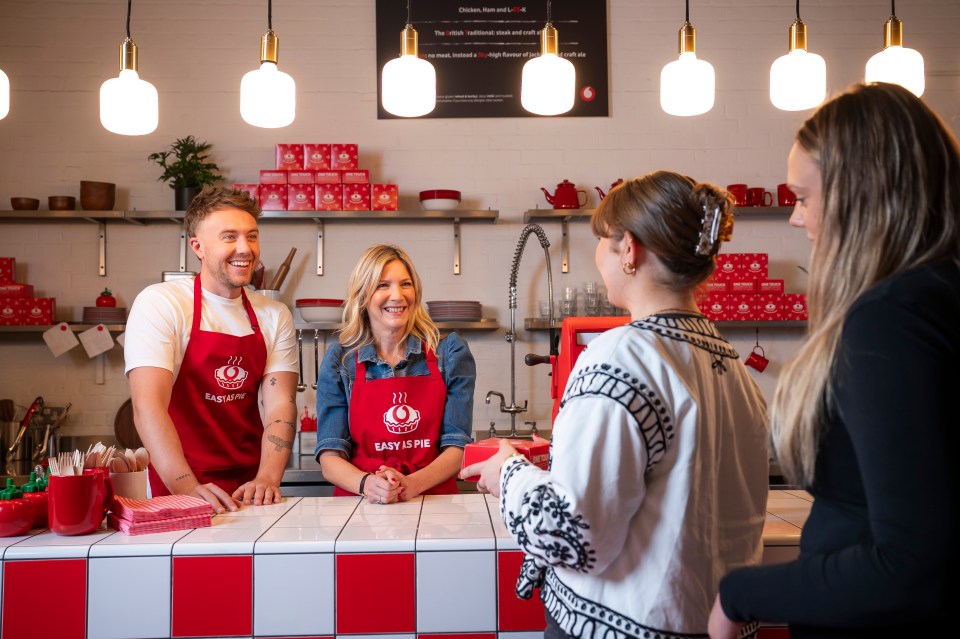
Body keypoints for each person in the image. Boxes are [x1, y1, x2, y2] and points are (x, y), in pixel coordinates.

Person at [462, 172, 770, 639]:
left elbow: (574, 534)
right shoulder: (730, 363)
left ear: (629, 249)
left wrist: (507, 472)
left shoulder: (617, 355)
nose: (598, 256)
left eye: (602, 241)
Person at [708, 82, 960, 639]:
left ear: (860, 194)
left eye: (802, 196)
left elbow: (910, 565)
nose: (796, 219)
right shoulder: (938, 294)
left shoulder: (891, 318)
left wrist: (738, 595)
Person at [124, 186, 299, 513]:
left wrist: (268, 478)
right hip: (177, 483)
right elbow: (148, 406)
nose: (245, 249)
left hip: (252, 489)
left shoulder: (274, 316)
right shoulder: (162, 303)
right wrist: (187, 488)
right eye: (229, 237)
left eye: (252, 236)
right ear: (198, 246)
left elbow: (280, 407)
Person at [315, 244, 476, 503]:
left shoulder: (449, 354)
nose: (397, 296)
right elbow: (330, 455)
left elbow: (457, 446)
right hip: (362, 504)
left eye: (405, 284)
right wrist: (368, 484)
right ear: (363, 296)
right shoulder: (341, 361)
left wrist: (411, 484)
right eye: (382, 285)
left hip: (431, 500)